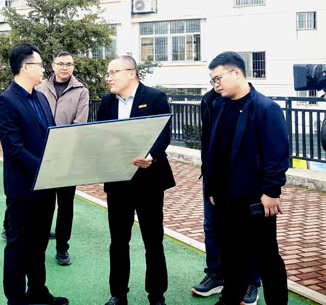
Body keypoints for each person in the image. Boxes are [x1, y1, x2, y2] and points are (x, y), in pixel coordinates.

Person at [205, 52, 288, 305]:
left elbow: (277, 153)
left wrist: (271, 191)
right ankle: (229, 300)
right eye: (212, 80)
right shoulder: (218, 105)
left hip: (255, 200)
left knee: (267, 258)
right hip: (223, 198)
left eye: (218, 78)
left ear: (237, 73)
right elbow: (214, 149)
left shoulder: (266, 108)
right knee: (231, 257)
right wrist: (212, 187)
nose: (216, 85)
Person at [0, 44, 69, 305]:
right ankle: (15, 299)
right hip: (23, 189)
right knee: (18, 246)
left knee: (39, 244)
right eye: (40, 64)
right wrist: (45, 168)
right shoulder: (5, 102)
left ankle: (37, 291)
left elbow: (52, 136)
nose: (44, 69)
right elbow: (13, 148)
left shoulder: (41, 98)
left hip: (46, 186)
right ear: (25, 67)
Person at [96, 55, 174, 305]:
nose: (108, 78)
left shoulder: (155, 98)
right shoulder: (107, 102)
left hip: (149, 180)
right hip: (118, 181)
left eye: (113, 72)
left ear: (131, 73)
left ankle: (157, 295)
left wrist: (150, 155)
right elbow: (99, 135)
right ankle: (118, 294)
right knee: (118, 241)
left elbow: (163, 133)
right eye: (108, 73)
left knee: (153, 240)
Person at [192, 86, 261, 305]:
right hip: (214, 178)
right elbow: (208, 142)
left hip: (244, 179)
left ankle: (251, 282)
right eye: (213, 76)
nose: (216, 80)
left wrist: (270, 188)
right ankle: (217, 275)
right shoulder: (209, 100)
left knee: (247, 231)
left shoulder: (255, 102)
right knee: (212, 228)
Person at [35, 50, 89, 266]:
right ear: (53, 65)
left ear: (73, 67)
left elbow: (80, 124)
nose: (65, 67)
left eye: (69, 64)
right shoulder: (39, 88)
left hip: (68, 157)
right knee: (44, 204)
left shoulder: (81, 91)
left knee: (66, 205)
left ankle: (62, 247)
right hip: (43, 156)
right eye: (60, 63)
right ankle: (38, 247)